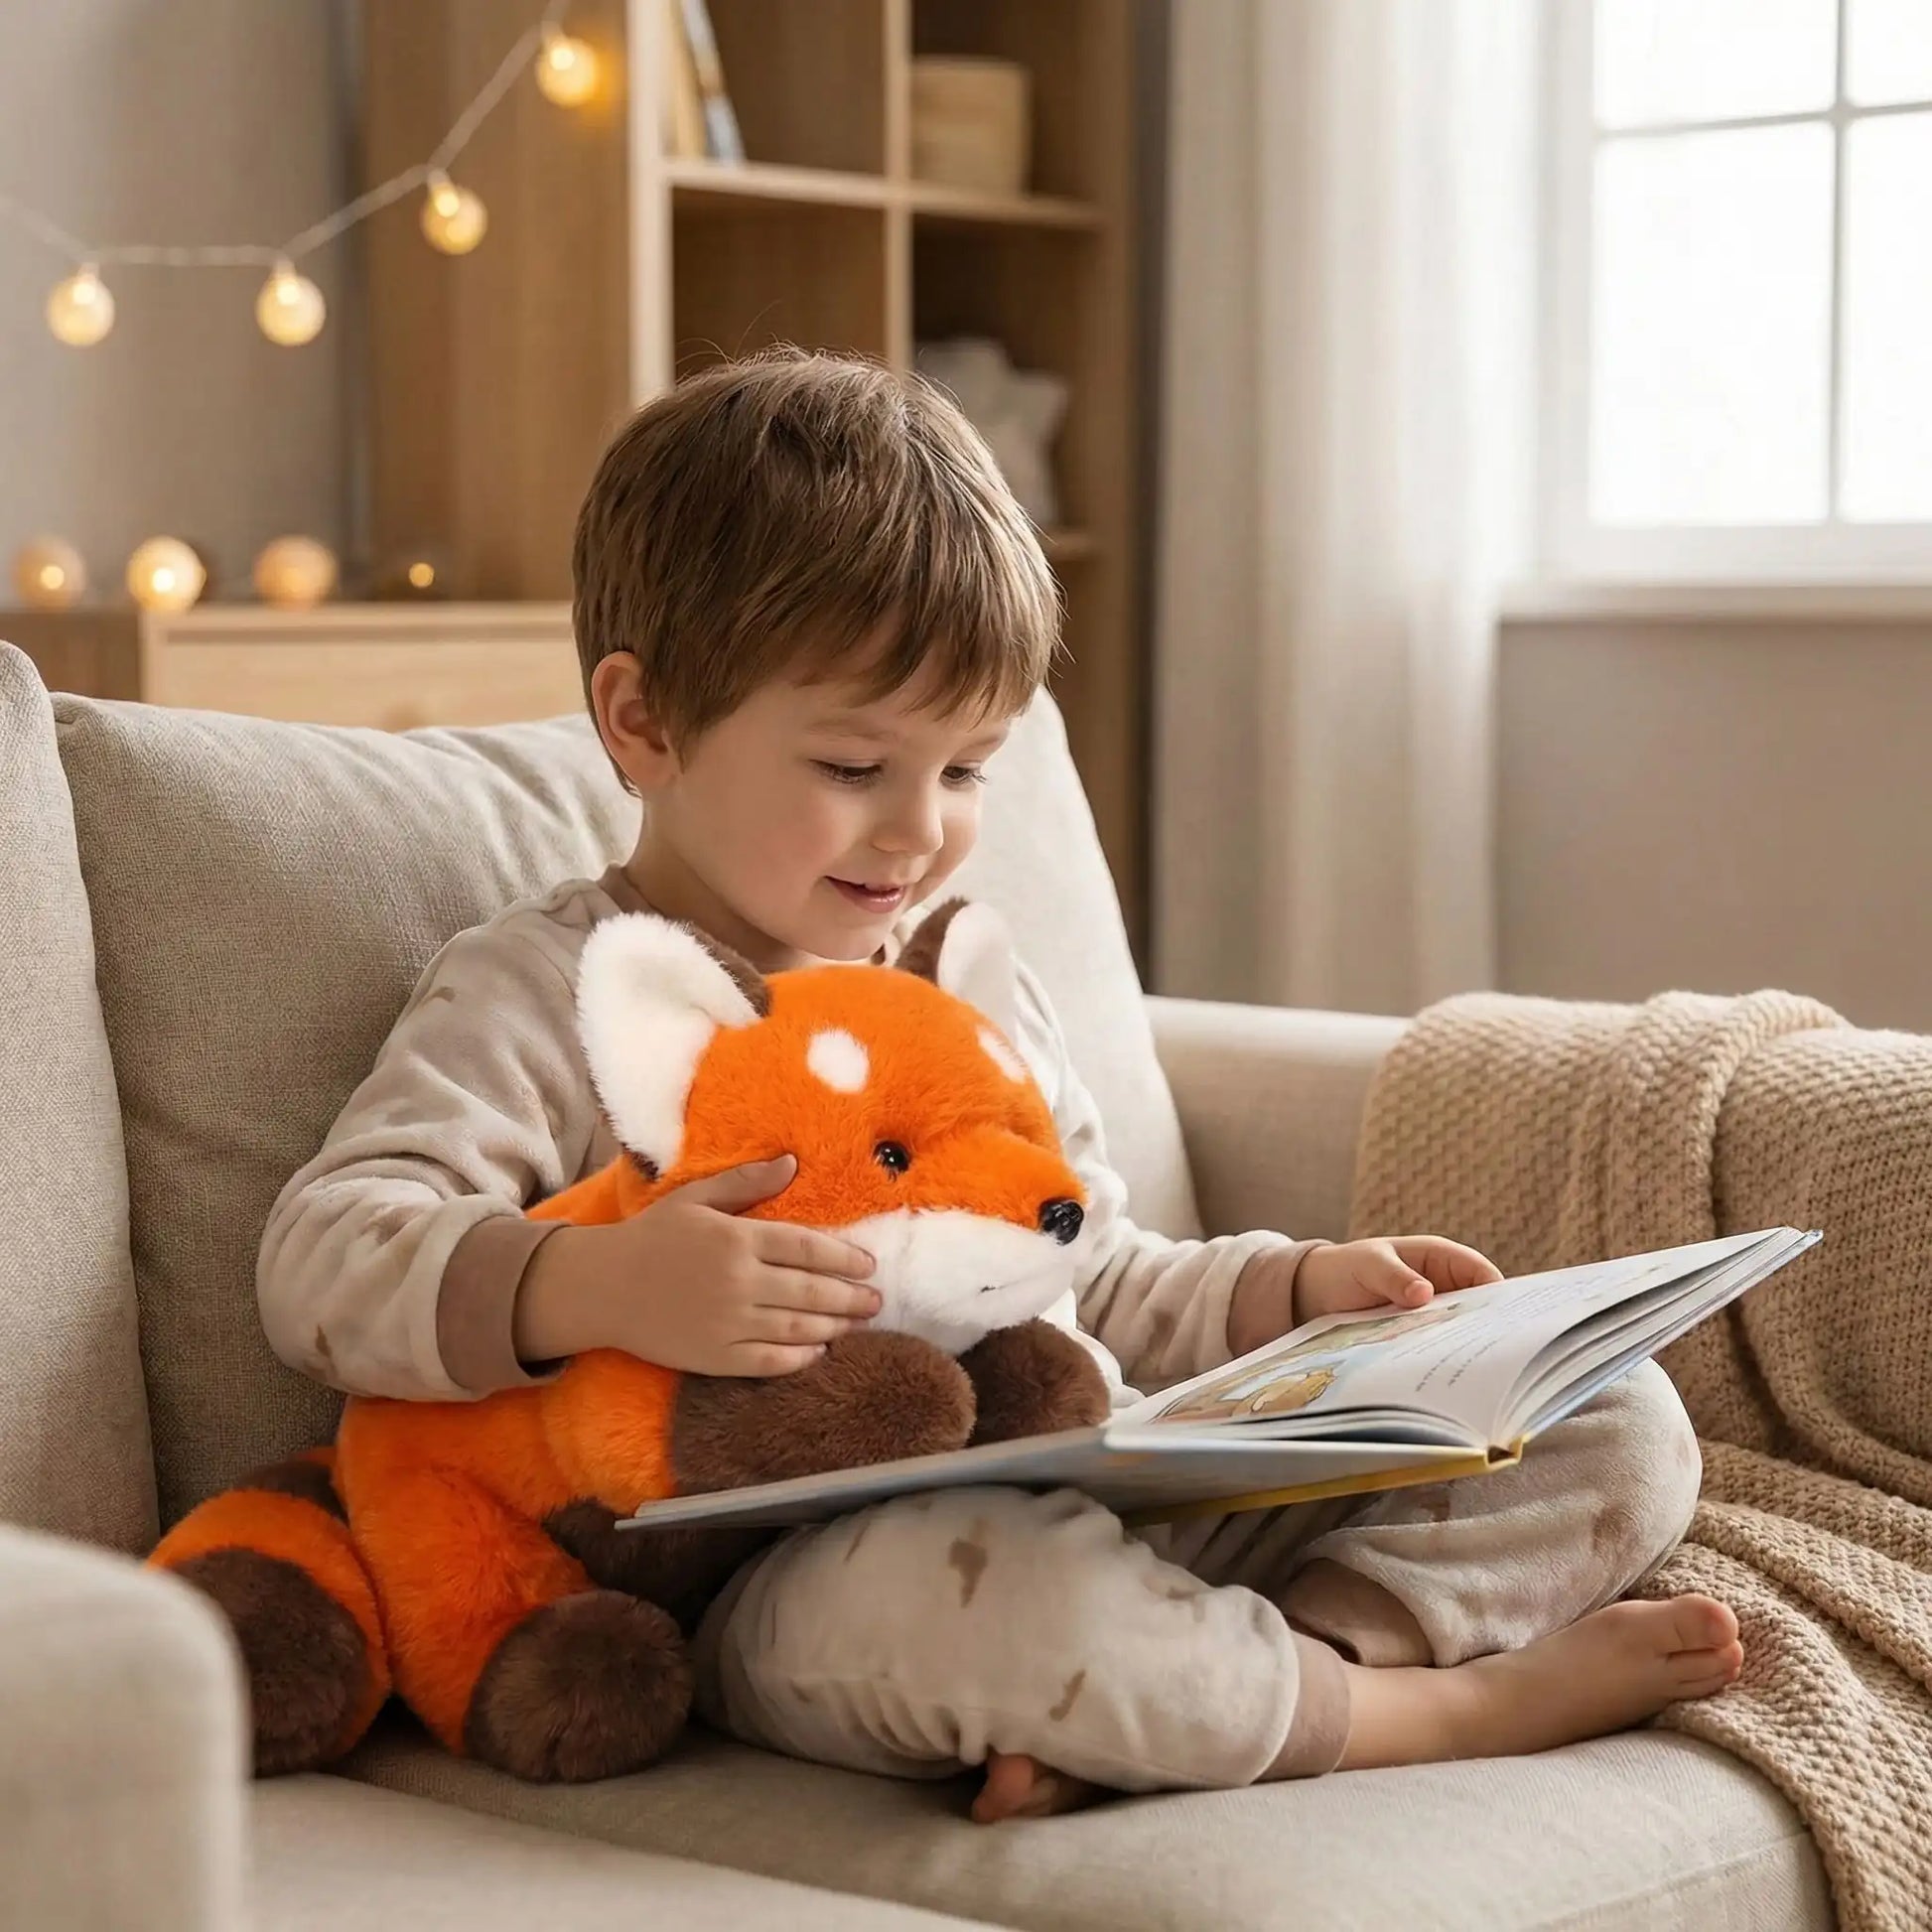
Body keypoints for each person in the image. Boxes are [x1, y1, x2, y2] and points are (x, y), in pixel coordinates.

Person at [258, 347, 1739, 1823]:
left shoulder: (958, 978)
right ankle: (1440, 1707)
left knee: (1618, 1409)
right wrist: (595, 1285)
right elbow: (326, 1254)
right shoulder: (547, 990)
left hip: (1095, 1487)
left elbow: (1086, 1272)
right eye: (854, 763)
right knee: (986, 1598)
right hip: (790, 1588)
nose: (919, 831)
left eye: (967, 770)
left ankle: (1302, 1660)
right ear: (642, 723)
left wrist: (1295, 1294)